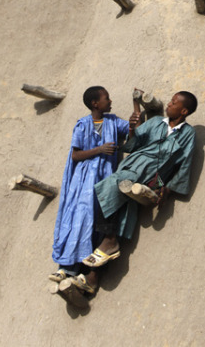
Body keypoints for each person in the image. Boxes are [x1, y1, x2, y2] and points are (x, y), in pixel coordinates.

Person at [82, 90, 197, 267]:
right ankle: (108, 245)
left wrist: (166, 189)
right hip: (134, 167)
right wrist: (132, 129)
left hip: (155, 176)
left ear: (184, 112)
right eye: (170, 101)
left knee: (117, 195)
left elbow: (184, 164)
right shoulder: (156, 122)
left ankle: (107, 248)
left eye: (174, 103)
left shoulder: (188, 134)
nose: (168, 104)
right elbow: (133, 144)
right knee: (111, 189)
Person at [49, 86, 137, 294]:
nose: (110, 100)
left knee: (97, 222)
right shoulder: (82, 125)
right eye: (107, 98)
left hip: (103, 179)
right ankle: (67, 267)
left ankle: (86, 270)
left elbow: (132, 133)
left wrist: (134, 121)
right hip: (83, 182)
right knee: (79, 218)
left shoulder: (114, 121)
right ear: (95, 103)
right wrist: (99, 150)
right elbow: (75, 155)